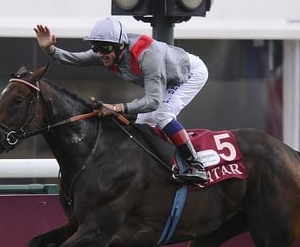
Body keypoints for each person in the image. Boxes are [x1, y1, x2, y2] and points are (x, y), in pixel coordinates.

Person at [34, 17, 209, 184]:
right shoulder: (108, 51)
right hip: (166, 78)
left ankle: (196, 165)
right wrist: (50, 50)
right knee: (142, 123)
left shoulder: (147, 56)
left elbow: (153, 102)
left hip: (190, 74)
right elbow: (74, 59)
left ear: (120, 46)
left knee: (162, 114)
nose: (100, 54)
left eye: (105, 49)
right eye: (96, 48)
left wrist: (116, 108)